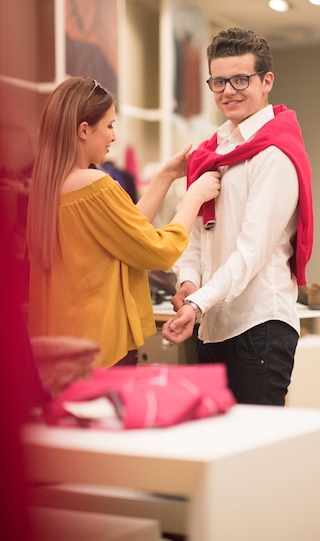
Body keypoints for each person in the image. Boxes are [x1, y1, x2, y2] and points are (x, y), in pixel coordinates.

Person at [162, 27, 314, 405]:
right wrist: (187, 282)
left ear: (266, 82)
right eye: (218, 81)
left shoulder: (273, 154)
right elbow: (198, 235)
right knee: (217, 450)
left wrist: (199, 303)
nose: (228, 90)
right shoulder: (213, 150)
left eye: (240, 79)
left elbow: (252, 251)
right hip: (213, 325)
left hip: (259, 324)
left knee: (257, 456)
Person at [26, 76, 220, 367]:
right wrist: (194, 196)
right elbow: (156, 249)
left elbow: (127, 233)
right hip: (100, 350)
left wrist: (165, 176)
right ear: (83, 130)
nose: (114, 137)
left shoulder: (48, 188)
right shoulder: (94, 185)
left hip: (62, 351)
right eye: (110, 126)